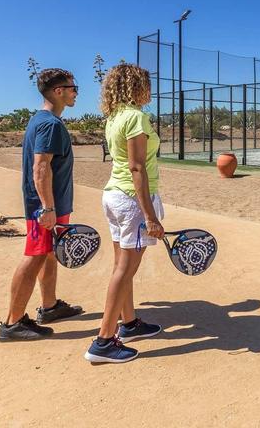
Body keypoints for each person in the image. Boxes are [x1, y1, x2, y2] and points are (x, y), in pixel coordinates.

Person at [84, 63, 164, 363]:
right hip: (131, 201)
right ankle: (103, 341)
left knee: (121, 264)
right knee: (125, 268)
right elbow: (137, 167)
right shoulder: (136, 117)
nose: (150, 89)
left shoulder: (115, 117)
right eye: (147, 83)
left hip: (114, 197)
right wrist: (150, 216)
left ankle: (129, 323)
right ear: (136, 86)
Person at [0, 69, 83, 341]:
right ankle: (12, 324)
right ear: (58, 91)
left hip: (52, 206)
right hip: (44, 208)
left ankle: (49, 307)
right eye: (73, 88)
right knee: (35, 255)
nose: (76, 92)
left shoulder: (44, 120)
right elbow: (41, 167)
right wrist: (47, 207)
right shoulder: (50, 124)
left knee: (49, 253)